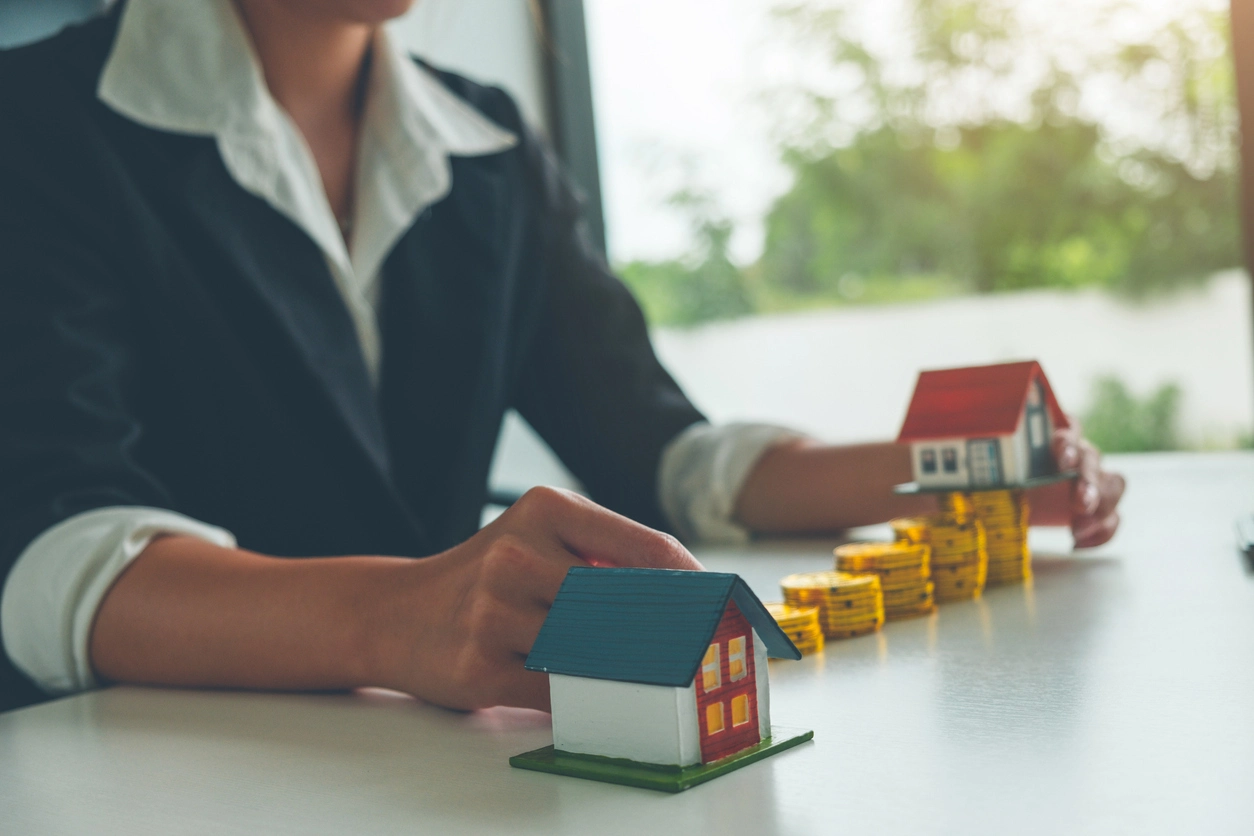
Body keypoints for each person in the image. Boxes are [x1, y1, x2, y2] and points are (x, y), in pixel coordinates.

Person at [0, 0, 1125, 714]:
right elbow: (57, 548)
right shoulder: (38, 121)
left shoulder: (492, 148)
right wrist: (400, 618)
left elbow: (660, 449)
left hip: (418, 765)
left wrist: (962, 465)